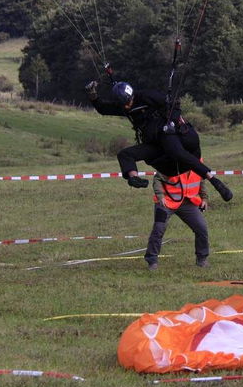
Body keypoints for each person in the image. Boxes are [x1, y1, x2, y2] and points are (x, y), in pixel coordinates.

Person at [86, 80, 233, 201]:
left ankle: (214, 180)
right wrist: (93, 95)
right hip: (153, 144)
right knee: (124, 155)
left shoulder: (146, 96)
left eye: (128, 102)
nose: (126, 106)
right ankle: (134, 178)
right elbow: (103, 109)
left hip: (166, 133)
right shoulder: (124, 107)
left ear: (131, 96)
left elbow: (174, 105)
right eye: (123, 105)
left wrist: (172, 123)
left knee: (176, 152)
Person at [144, 159, 210, 271]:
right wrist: (160, 196)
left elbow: (201, 179)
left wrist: (204, 198)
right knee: (159, 229)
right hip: (166, 202)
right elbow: (158, 178)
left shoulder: (198, 160)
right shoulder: (172, 158)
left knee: (201, 228)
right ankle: (152, 261)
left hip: (188, 202)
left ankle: (202, 259)